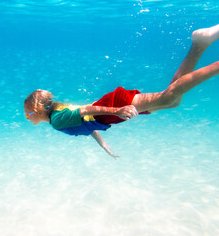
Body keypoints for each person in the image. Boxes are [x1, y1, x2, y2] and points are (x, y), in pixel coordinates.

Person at [24, 24, 219, 159]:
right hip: (110, 112)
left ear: (37, 110)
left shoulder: (57, 121)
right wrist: (104, 146)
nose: (26, 117)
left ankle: (203, 48)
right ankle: (199, 44)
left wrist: (116, 111)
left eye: (27, 113)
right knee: (171, 100)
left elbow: (84, 112)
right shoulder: (57, 117)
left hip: (112, 108)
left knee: (168, 97)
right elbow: (87, 124)